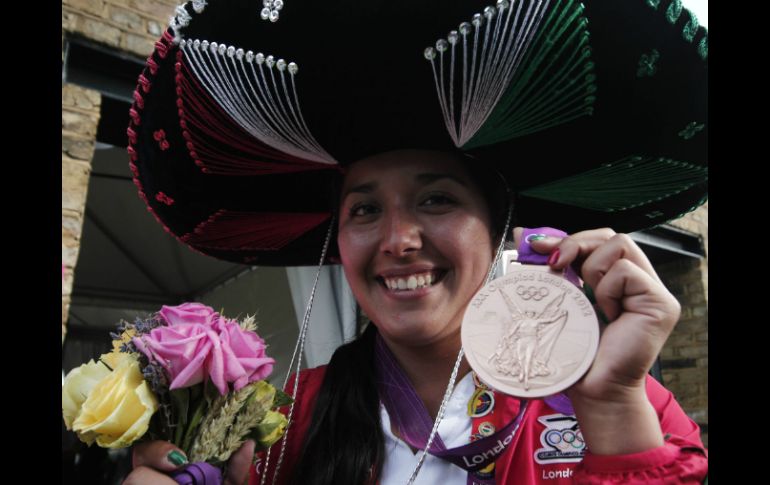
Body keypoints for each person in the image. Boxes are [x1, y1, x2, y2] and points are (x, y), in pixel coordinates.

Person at [121, 1, 708, 483]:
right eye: (365, 209)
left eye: (437, 200)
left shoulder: (632, 405)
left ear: (500, 226)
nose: (398, 240)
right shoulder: (277, 423)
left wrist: (610, 410)